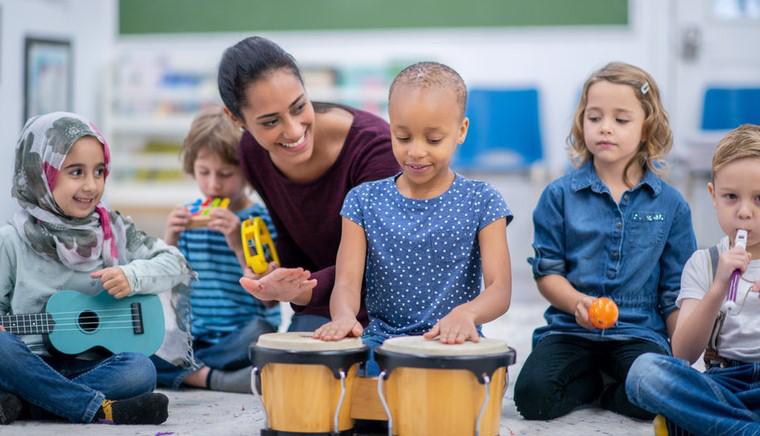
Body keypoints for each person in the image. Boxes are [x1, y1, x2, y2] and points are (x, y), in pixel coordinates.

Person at [513, 62, 697, 420]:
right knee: (533, 397)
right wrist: (578, 303)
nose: (605, 128)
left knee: (661, 396)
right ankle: (595, 384)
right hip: (570, 328)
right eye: (594, 117)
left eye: (621, 120)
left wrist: (682, 357)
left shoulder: (671, 204)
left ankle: (615, 388)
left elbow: (677, 290)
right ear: (582, 122)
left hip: (638, 332)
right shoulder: (558, 196)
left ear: (647, 127)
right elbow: (548, 273)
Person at [312, 61, 512, 376]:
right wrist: (344, 317)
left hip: (454, 343)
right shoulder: (362, 201)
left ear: (461, 131)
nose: (415, 152)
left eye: (433, 140)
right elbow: (347, 282)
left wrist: (466, 315)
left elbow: (499, 289)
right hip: (382, 345)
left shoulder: (483, 200)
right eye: (403, 137)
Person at [0, 112, 195, 425]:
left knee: (141, 371)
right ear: (41, 173)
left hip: (92, 366)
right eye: (76, 172)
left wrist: (133, 276)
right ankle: (97, 408)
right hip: (29, 363)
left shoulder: (113, 228)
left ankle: (29, 403)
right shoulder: (12, 240)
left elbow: (175, 262)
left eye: (100, 171)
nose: (91, 186)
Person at [218, 36, 400, 332]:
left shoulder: (375, 148)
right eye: (269, 122)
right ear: (236, 118)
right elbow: (294, 240)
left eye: (299, 106)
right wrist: (277, 273)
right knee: (287, 368)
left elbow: (383, 261)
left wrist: (303, 291)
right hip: (321, 305)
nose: (293, 130)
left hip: (390, 306)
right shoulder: (252, 153)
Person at [626, 124, 760, 436]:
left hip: (723, 407)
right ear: (713, 196)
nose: (744, 212)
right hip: (723, 386)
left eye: (759, 198)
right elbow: (683, 354)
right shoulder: (703, 263)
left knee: (681, 422)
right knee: (644, 373)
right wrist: (717, 289)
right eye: (731, 197)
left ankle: (711, 425)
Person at [151, 106, 279, 393]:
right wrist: (170, 237)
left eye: (225, 173)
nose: (213, 184)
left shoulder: (261, 220)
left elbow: (270, 299)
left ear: (247, 172)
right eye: (203, 172)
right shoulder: (187, 217)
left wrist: (237, 241)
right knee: (144, 350)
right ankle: (217, 378)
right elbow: (165, 284)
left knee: (263, 334)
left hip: (240, 336)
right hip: (196, 337)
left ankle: (192, 372)